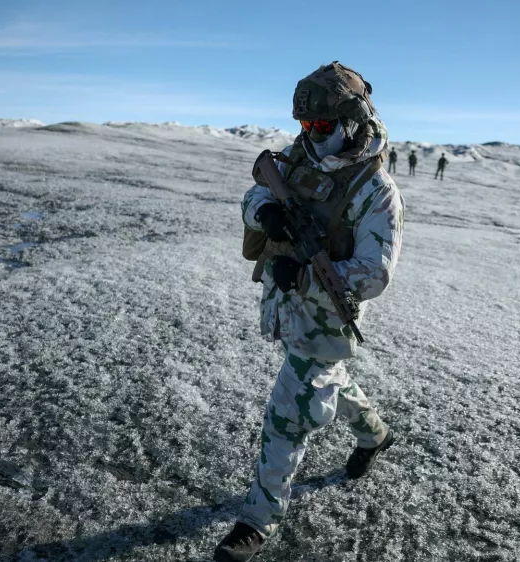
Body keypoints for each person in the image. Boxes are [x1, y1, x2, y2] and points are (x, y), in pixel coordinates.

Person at [215, 61, 405, 562]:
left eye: (320, 125)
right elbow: (255, 192)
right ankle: (376, 435)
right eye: (304, 125)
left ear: (351, 119)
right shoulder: (296, 159)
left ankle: (257, 518)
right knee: (331, 381)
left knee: (288, 416)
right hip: (289, 307)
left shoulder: (376, 191)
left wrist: (302, 275)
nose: (311, 134)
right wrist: (266, 211)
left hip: (324, 317)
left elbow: (375, 273)